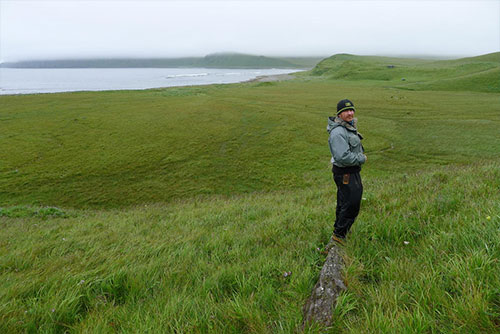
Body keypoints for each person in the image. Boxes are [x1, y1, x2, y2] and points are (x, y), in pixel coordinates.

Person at [327, 99, 366, 244]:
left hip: (350, 172)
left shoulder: (347, 127)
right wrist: (361, 158)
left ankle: (339, 233)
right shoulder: (338, 132)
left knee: (344, 203)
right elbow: (342, 156)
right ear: (339, 114)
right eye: (346, 111)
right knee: (351, 204)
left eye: (352, 110)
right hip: (346, 174)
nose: (350, 113)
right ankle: (339, 236)